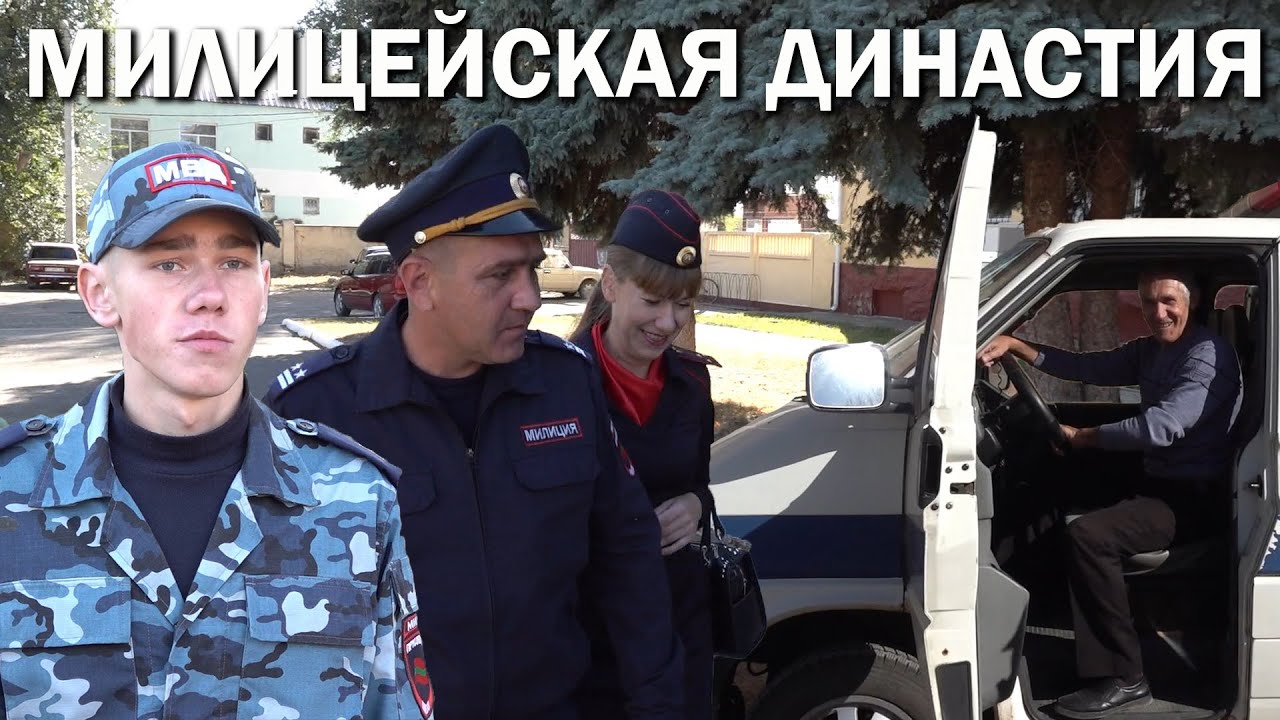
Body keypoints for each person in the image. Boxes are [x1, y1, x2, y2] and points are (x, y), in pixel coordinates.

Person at [264, 124, 685, 720]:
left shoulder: (565, 384)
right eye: (500, 275)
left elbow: (628, 561)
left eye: (532, 269)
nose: (530, 297)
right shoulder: (316, 414)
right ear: (419, 283)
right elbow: (276, 624)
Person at [0, 141, 433, 720]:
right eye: (169, 263)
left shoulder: (356, 499)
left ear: (263, 289)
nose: (210, 297)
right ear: (100, 294)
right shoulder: (10, 495)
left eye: (234, 263)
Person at [977, 267, 1241, 719]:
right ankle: (1035, 611)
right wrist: (1017, 346)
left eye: (1169, 301)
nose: (1158, 312)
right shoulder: (1153, 350)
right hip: (1159, 478)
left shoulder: (1206, 356)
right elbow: (1088, 367)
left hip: (1194, 498)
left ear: (1192, 301)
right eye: (1149, 302)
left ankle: (1125, 677)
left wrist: (1084, 437)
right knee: (1052, 479)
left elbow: (1161, 427)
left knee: (1090, 536)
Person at [568, 190, 718, 719]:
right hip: (589, 641)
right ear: (610, 284)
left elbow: (699, 483)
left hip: (680, 633)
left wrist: (697, 504)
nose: (669, 322)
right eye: (653, 301)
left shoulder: (692, 384)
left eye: (683, 303)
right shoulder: (560, 384)